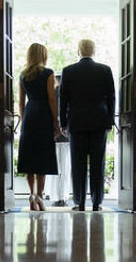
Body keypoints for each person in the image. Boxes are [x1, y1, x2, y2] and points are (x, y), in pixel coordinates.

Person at [59, 39, 115, 211]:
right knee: (98, 163)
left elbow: (63, 100)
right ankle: (97, 203)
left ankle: (80, 202)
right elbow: (111, 97)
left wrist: (63, 122)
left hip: (76, 122)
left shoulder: (68, 71)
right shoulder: (105, 70)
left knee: (78, 163)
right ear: (94, 51)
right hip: (99, 121)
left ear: (78, 51)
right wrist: (110, 119)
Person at [16, 43, 60, 211]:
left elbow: (21, 102)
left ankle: (31, 194)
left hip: (29, 114)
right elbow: (51, 99)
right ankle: (40, 196)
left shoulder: (23, 75)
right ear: (43, 56)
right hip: (43, 114)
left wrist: (23, 119)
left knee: (29, 156)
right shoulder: (48, 73)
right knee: (42, 155)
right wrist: (56, 122)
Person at [49, 74, 72, 207]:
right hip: (66, 134)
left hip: (54, 134)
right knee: (66, 166)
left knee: (55, 167)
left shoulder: (51, 95)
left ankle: (55, 196)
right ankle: (64, 195)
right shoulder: (68, 94)